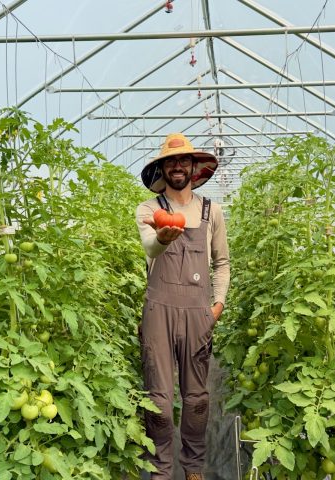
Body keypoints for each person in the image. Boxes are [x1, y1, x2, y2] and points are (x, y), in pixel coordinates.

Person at [135, 133, 230, 480]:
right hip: (158, 310)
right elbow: (150, 247)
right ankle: (161, 468)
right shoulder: (149, 210)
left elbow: (222, 263)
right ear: (162, 169)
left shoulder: (211, 211)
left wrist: (216, 305)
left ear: (194, 167)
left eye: (184, 161)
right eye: (171, 161)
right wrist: (162, 236)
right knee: (158, 398)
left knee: (197, 398)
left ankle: (193, 466)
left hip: (197, 313)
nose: (178, 166)